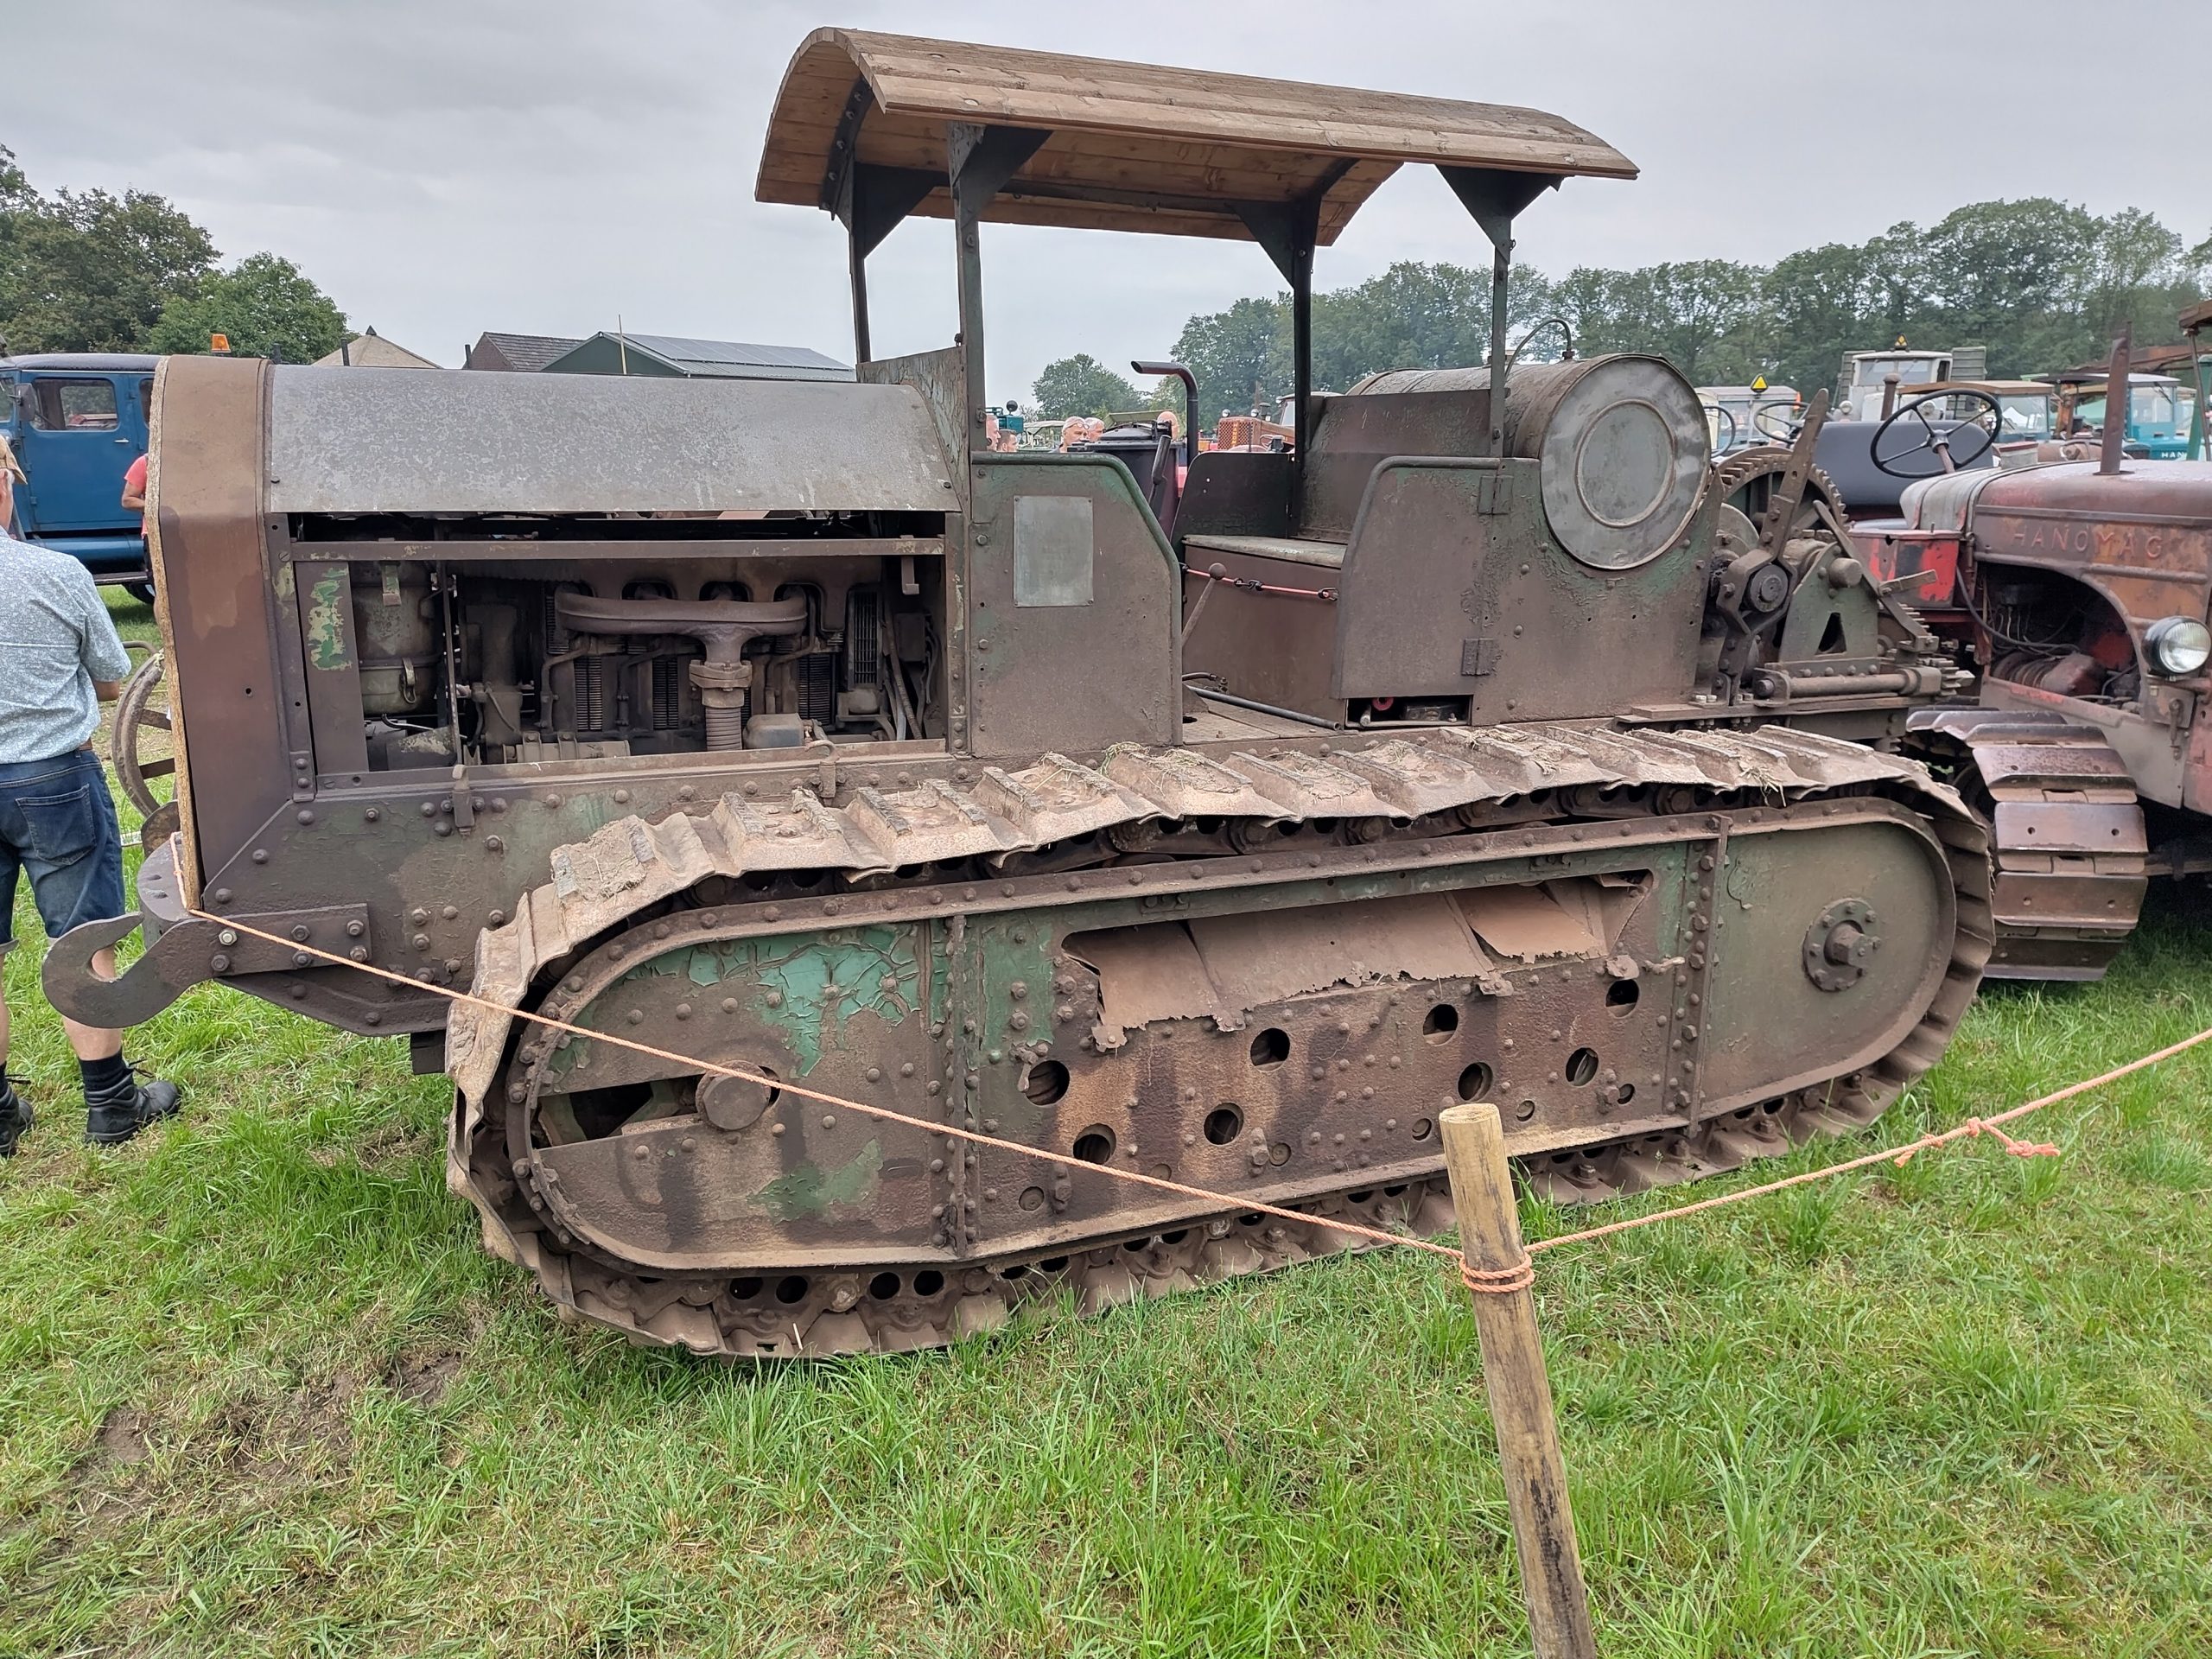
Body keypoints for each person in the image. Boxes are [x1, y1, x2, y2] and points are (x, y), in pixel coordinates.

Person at [0, 519, 181, 1155]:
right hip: (51, 777)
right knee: (83, 939)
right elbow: (111, 678)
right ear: (3, 487)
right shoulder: (54, 572)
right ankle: (111, 1105)